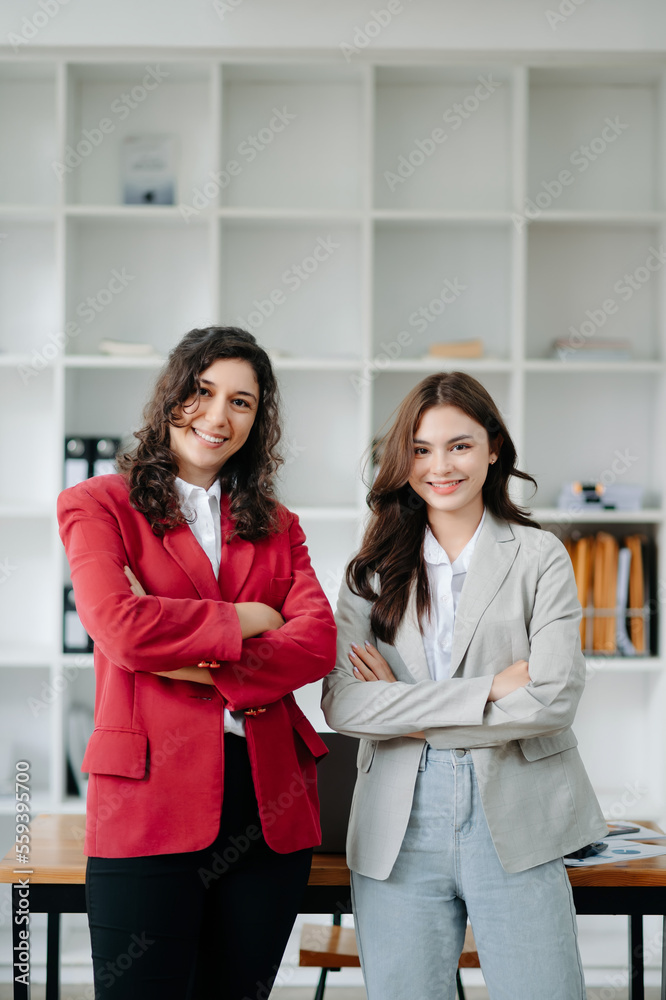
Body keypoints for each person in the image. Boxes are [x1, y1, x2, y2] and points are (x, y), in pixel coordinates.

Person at [58, 326, 336, 1000]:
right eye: (203, 392)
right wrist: (246, 620)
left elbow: (316, 642)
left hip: (266, 805)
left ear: (257, 419)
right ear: (171, 396)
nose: (218, 416)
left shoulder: (278, 523)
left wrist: (186, 655)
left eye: (241, 402)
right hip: (147, 794)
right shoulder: (98, 504)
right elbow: (120, 629)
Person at [322, 371, 607, 1000]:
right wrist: (487, 690)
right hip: (398, 822)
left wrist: (403, 709)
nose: (439, 466)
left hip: (518, 811)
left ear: (494, 448)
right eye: (420, 449)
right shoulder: (370, 572)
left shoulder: (539, 556)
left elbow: (554, 697)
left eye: (460, 445)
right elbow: (344, 703)